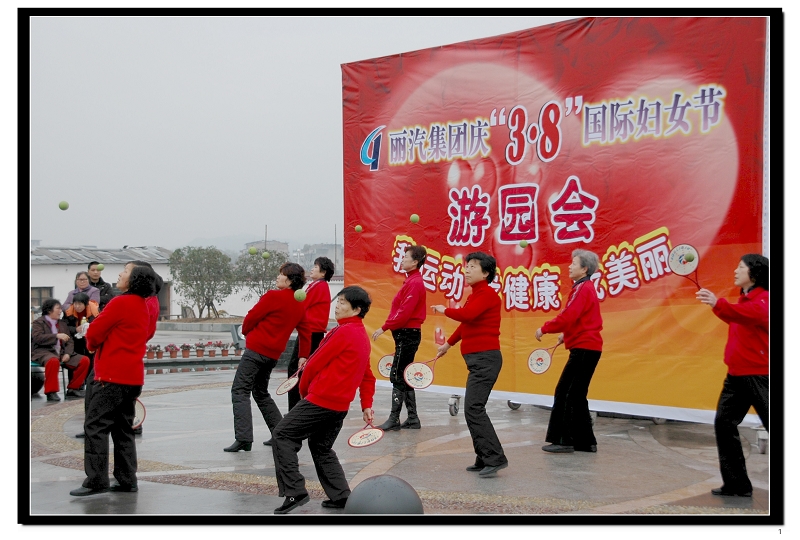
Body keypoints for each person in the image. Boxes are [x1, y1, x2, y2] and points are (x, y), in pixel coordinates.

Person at [271, 286, 375, 514]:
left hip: (321, 401)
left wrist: (304, 392)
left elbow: (313, 364)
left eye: (343, 302)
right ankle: (341, 496)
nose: (337, 306)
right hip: (339, 406)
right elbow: (367, 375)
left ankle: (294, 491)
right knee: (321, 447)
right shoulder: (361, 336)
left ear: (356, 309)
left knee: (282, 435)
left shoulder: (343, 332)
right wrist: (366, 405)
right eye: (338, 301)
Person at [70, 262, 158, 496]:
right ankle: (127, 479)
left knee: (95, 426)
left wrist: (91, 343)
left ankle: (97, 480)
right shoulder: (143, 304)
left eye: (126, 271)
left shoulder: (120, 302)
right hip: (132, 376)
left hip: (110, 375)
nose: (120, 273)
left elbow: (95, 332)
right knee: (123, 428)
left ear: (134, 279)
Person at [696, 254, 769, 498]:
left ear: (755, 273)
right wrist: (715, 305)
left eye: (741, 267)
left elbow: (749, 314)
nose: (736, 271)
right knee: (724, 424)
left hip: (759, 374)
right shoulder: (744, 300)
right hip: (736, 374)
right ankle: (736, 484)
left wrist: (717, 303)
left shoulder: (764, 299)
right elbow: (736, 315)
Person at [432, 252, 508, 478]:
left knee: (474, 408)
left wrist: (444, 309)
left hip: (486, 360)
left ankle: (494, 458)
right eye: (467, 266)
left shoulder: (487, 295)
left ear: (485, 273)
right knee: (473, 408)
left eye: (473, 266)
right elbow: (467, 324)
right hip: (478, 361)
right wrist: (448, 345)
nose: (467, 269)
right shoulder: (476, 295)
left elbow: (467, 315)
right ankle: (484, 457)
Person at [225, 263, 306, 453]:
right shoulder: (300, 305)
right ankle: (281, 433)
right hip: (272, 355)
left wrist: (246, 332)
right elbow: (306, 332)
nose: (278, 277)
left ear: (290, 280)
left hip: (255, 350)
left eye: (281, 274)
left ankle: (243, 438)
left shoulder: (273, 296)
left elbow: (252, 317)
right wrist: (303, 355)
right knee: (260, 393)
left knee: (240, 390)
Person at [535, 249, 603, 454]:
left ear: (584, 268)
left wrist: (544, 328)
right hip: (588, 347)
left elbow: (568, 316)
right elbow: (582, 318)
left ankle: (563, 440)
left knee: (565, 392)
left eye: (574, 263)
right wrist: (566, 334)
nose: (570, 267)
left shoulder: (582, 288)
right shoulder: (585, 287)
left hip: (584, 348)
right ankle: (585, 441)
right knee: (577, 395)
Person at [263, 257, 335, 448]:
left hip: (311, 334)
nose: (312, 269)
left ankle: (292, 424)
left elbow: (300, 304)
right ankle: (295, 421)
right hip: (310, 333)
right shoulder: (316, 286)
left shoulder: (318, 286)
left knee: (296, 374)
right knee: (299, 374)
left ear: (323, 272)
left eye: (316, 267)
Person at [372, 245, 427, 431]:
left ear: (415, 262)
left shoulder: (415, 283)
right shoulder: (411, 281)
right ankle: (412, 418)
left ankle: (394, 418)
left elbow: (404, 312)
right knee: (404, 375)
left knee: (397, 375)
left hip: (407, 333)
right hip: (406, 333)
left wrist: (384, 327)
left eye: (406, 257)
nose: (402, 259)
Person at [31, 298, 91, 401]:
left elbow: (70, 340)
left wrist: (68, 353)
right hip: (43, 352)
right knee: (53, 361)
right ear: (49, 310)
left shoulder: (62, 323)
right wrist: (56, 336)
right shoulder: (39, 323)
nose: (60, 311)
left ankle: (73, 389)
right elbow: (37, 338)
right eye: (58, 308)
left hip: (62, 352)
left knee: (84, 360)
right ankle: (51, 392)